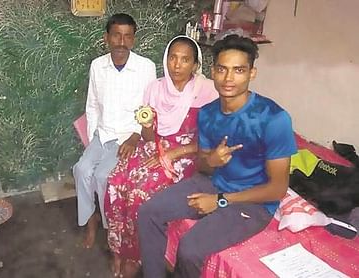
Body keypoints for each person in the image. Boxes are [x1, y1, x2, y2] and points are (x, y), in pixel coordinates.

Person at [137, 34, 298, 278]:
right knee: (149, 212)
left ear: (252, 73)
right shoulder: (208, 113)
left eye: (239, 70)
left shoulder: (274, 118)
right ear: (213, 71)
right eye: (222, 69)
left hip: (253, 203)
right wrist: (210, 162)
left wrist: (220, 200)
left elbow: (277, 189)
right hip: (213, 183)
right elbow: (203, 165)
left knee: (190, 249)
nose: (229, 78)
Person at [104, 35, 218, 277]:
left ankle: (135, 257)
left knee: (140, 192)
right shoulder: (155, 88)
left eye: (185, 60)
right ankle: (119, 250)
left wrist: (176, 152)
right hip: (154, 148)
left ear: (195, 65)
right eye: (172, 58)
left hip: (187, 155)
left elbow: (211, 142)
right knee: (115, 182)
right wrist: (146, 121)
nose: (177, 65)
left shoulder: (207, 92)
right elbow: (148, 137)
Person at [73, 13, 156, 249]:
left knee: (103, 176)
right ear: (106, 38)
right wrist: (91, 140)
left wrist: (136, 134)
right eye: (116, 36)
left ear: (134, 40)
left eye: (128, 36)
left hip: (127, 136)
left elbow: (148, 109)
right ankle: (91, 220)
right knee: (81, 170)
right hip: (102, 134)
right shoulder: (98, 66)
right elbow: (92, 105)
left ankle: (112, 230)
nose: (122, 42)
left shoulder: (145, 67)